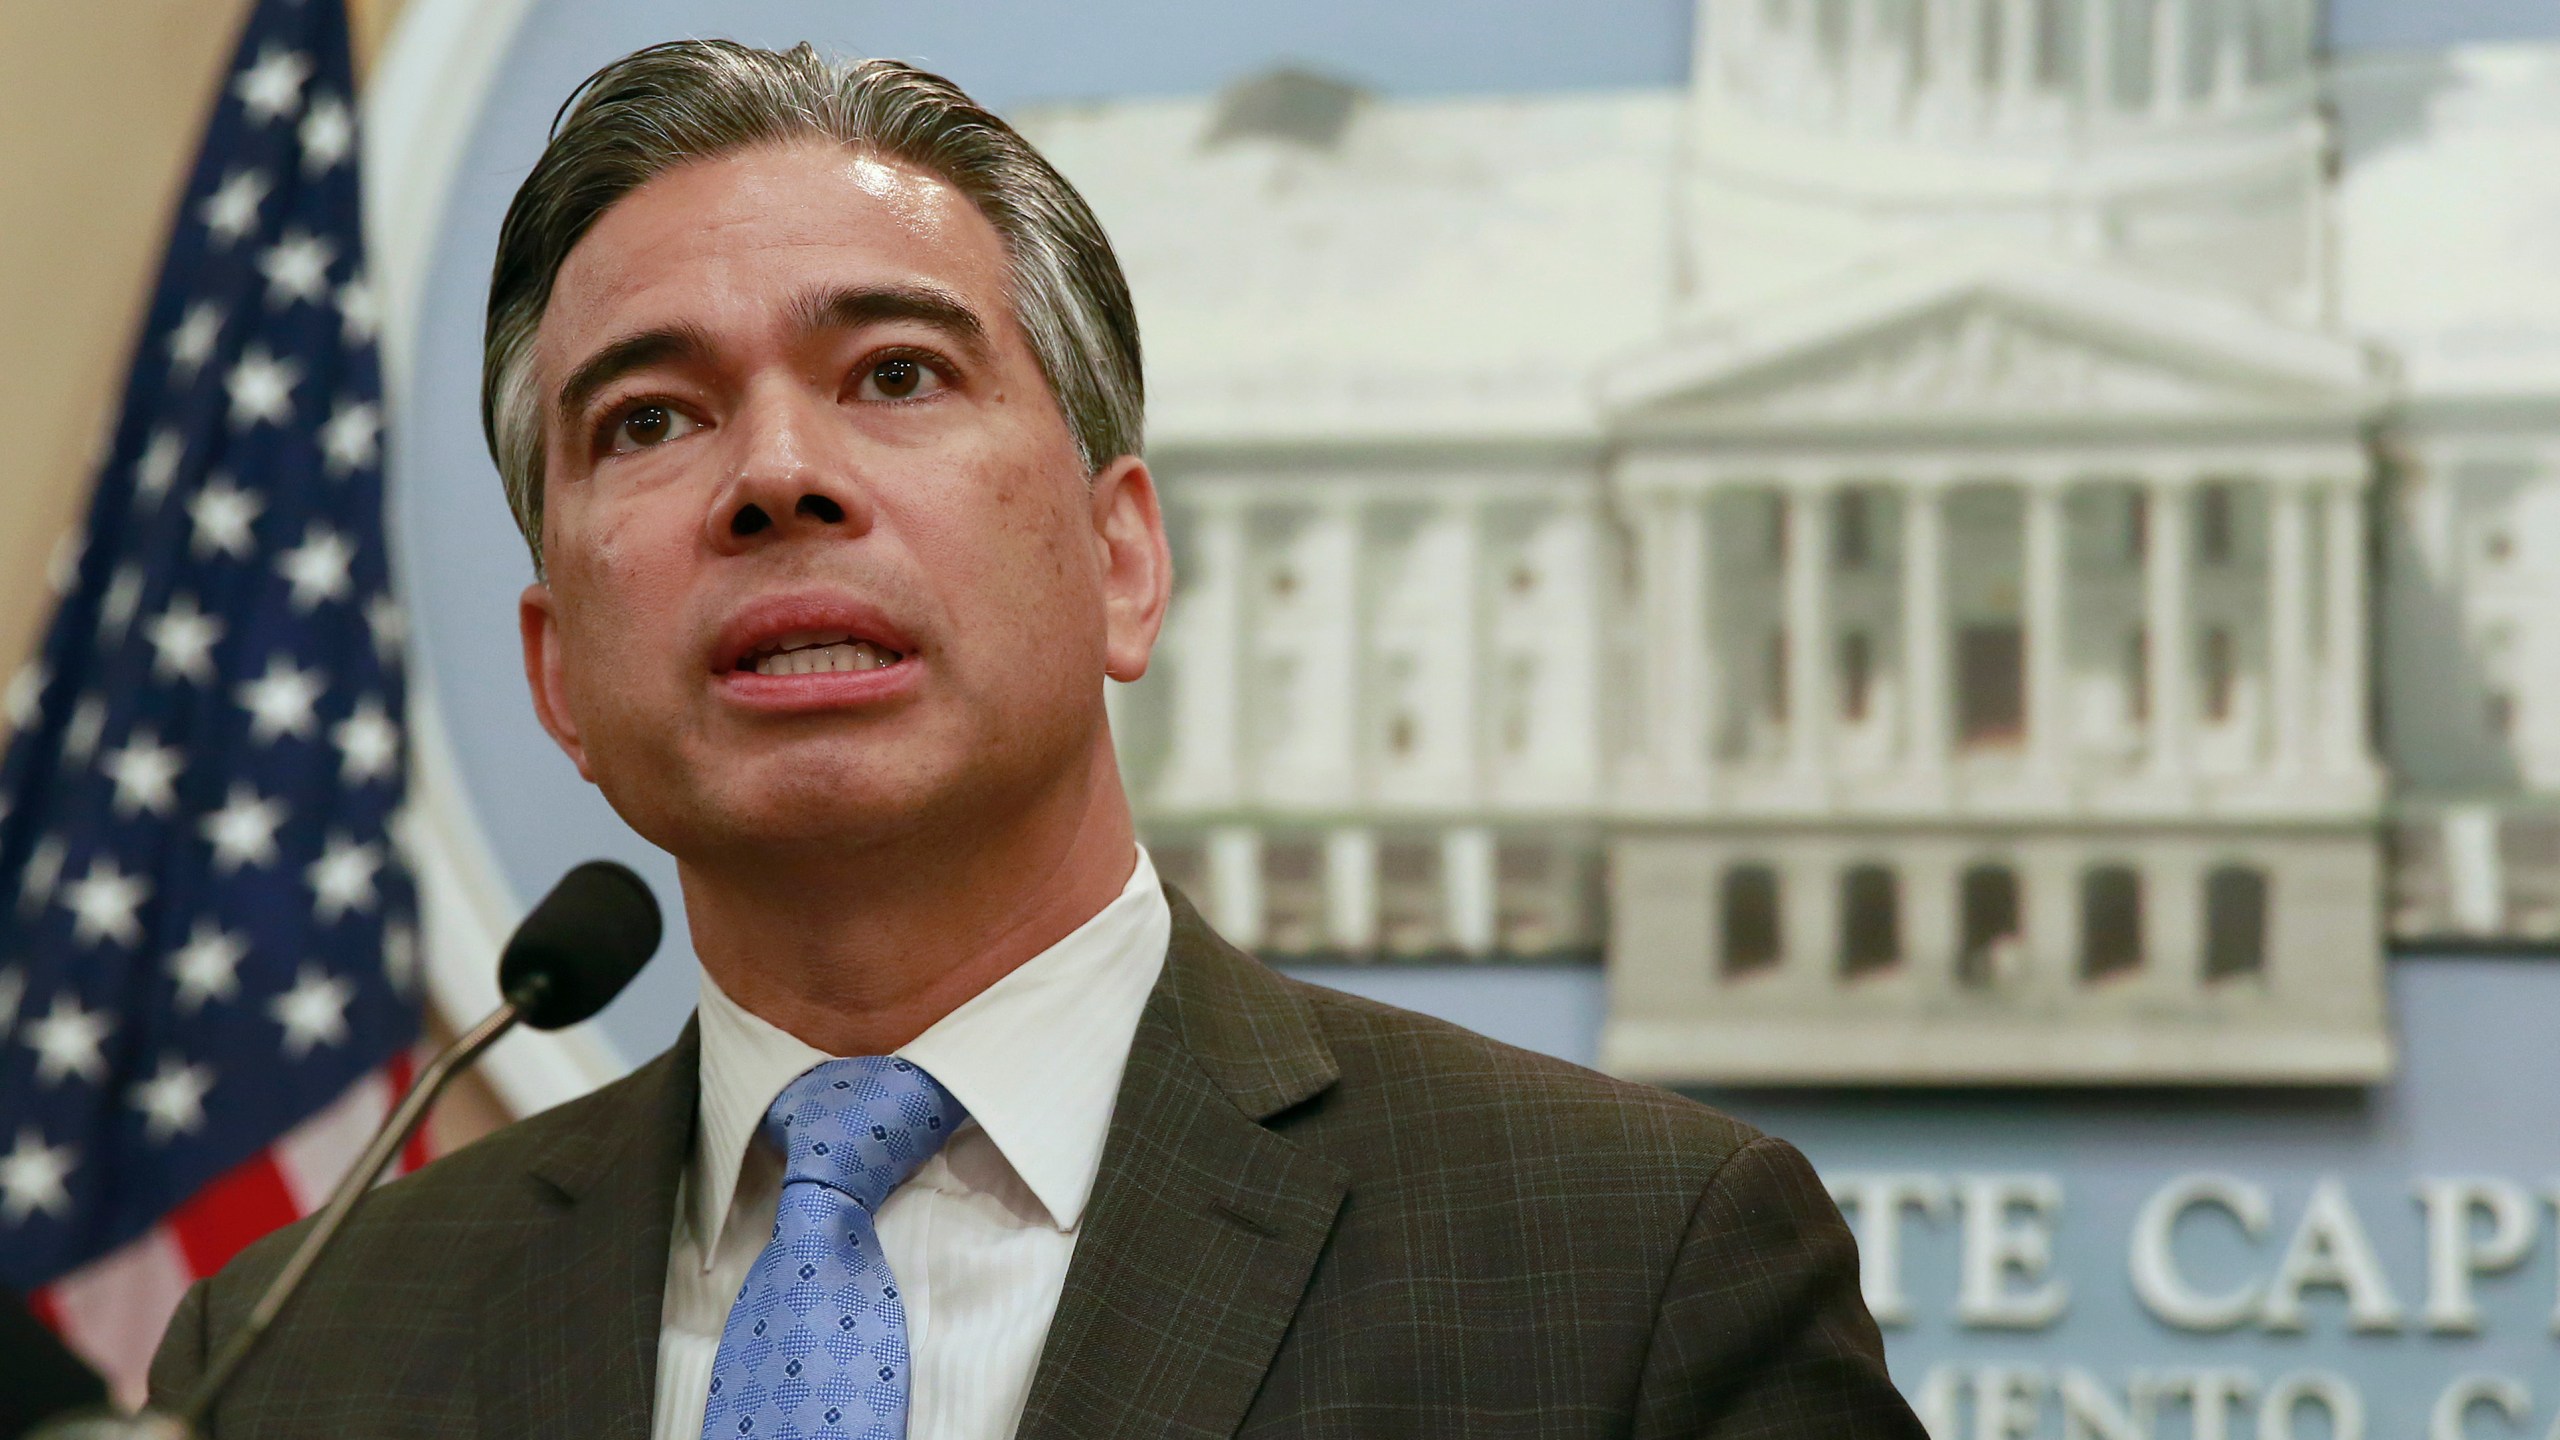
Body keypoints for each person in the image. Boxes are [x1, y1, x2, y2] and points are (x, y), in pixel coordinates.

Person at [150, 40, 1922, 1439]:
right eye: (652, 418)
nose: (778, 476)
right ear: (558, 682)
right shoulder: (296, 1354)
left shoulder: (1626, 1271)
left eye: (899, 375)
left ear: (1122, 562)